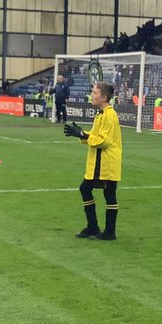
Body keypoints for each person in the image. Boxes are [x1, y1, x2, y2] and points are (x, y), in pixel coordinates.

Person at [64, 81, 121, 241]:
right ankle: (94, 227)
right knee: (87, 189)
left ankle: (108, 231)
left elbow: (104, 140)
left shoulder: (110, 115)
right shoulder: (101, 114)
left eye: (95, 93)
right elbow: (95, 135)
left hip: (106, 162)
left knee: (108, 193)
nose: (92, 95)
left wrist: (83, 135)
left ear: (103, 97)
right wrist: (81, 134)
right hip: (98, 161)